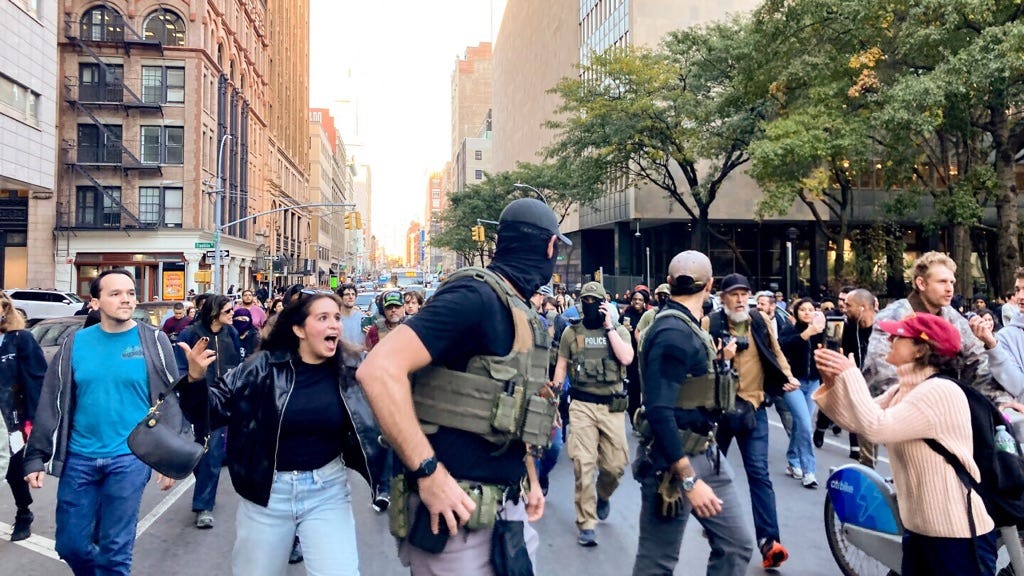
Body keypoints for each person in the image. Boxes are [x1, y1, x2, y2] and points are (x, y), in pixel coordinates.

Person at [356, 198, 563, 573]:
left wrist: (530, 479)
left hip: (506, 514)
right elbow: (378, 370)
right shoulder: (474, 297)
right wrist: (429, 473)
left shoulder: (520, 311)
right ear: (549, 247)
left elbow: (519, 409)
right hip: (453, 525)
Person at [177, 287, 385, 575]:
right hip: (267, 492)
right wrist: (195, 379)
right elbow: (211, 412)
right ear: (299, 329)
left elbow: (382, 423)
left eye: (336, 317)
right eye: (322, 317)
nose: (334, 324)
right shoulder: (260, 368)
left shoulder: (352, 370)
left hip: (328, 491)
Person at [24, 269, 181, 575]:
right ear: (94, 302)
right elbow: (51, 402)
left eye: (130, 293)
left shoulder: (154, 341)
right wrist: (34, 457)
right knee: (70, 545)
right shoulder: (75, 344)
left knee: (115, 551)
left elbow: (169, 400)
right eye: (115, 293)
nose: (126, 299)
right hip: (79, 459)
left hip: (129, 459)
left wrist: (170, 460)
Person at [814, 314, 998, 576]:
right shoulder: (905, 390)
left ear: (922, 349)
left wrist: (851, 375)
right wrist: (833, 383)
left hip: (956, 537)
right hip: (920, 532)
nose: (889, 339)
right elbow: (856, 421)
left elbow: (876, 427)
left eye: (898, 336)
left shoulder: (938, 391)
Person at [631, 251, 752, 575]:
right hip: (673, 465)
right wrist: (688, 480)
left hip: (707, 452)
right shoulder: (673, 333)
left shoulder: (692, 328)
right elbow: (659, 411)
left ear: (669, 284)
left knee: (736, 545)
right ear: (710, 285)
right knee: (657, 562)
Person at [861, 251, 1005, 468]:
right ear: (921, 283)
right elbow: (881, 371)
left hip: (946, 414)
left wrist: (999, 403)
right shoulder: (893, 316)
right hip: (904, 414)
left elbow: (977, 365)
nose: (950, 288)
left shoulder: (953, 318)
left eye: (952, 282)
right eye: (942, 281)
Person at [704, 272, 797, 568]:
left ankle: (769, 542)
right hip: (720, 412)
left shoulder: (760, 320)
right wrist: (723, 356)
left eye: (745, 293)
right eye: (734, 294)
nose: (741, 299)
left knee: (759, 475)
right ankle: (717, 531)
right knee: (713, 474)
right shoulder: (712, 324)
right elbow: (703, 366)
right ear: (722, 298)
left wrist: (787, 376)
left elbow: (776, 351)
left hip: (753, 408)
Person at [550, 281, 633, 546]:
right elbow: (561, 365)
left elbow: (627, 358)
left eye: (594, 301)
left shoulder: (619, 330)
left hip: (611, 406)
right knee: (583, 465)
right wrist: (554, 398)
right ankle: (586, 523)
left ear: (604, 304)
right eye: (584, 300)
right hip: (582, 406)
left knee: (615, 465)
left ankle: (603, 494)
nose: (589, 305)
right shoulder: (571, 333)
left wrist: (610, 328)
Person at [175, 295, 242, 529]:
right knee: (195, 454)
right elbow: (179, 369)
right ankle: (204, 485)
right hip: (194, 401)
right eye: (227, 311)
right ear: (214, 313)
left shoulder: (230, 334)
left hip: (222, 402)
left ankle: (204, 506)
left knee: (213, 453)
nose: (232, 313)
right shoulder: (190, 334)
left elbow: (238, 364)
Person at [0, 290, 46, 541]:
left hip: (11, 419)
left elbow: (36, 381)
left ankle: (23, 511)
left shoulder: (20, 340)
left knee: (13, 471)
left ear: (5, 309)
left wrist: (34, 421)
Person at [778, 298, 824, 488]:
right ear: (796, 313)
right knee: (805, 423)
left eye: (810, 309)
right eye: (802, 309)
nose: (807, 312)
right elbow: (782, 346)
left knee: (802, 423)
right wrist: (806, 334)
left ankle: (793, 459)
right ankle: (809, 471)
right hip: (792, 383)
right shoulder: (790, 330)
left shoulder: (820, 332)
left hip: (813, 382)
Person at [621, 288, 648, 425]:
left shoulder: (648, 316)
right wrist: (623, 330)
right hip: (630, 356)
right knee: (634, 389)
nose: (637, 302)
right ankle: (634, 419)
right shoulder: (626, 315)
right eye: (635, 299)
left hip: (645, 356)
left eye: (640, 300)